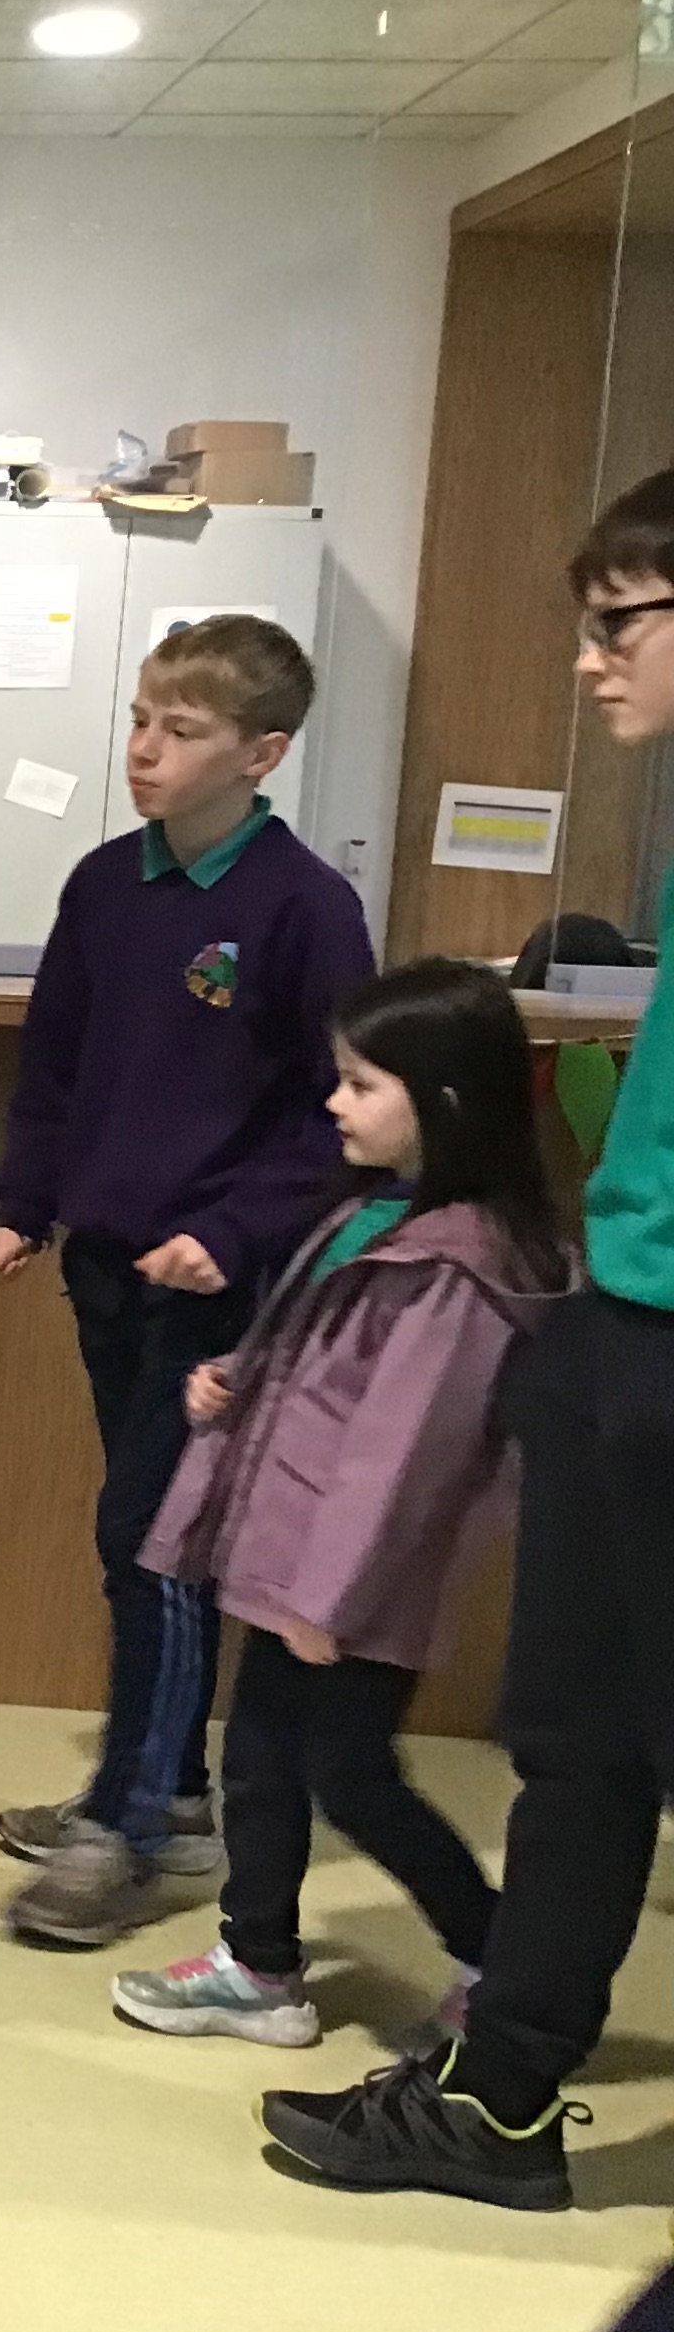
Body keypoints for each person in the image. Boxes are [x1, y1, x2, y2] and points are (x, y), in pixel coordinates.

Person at [259, 468, 674, 2212]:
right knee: (582, 1744)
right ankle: (497, 2095)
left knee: (600, 1741)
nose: (590, 660)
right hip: (625, 1317)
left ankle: (499, 2093)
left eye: (619, 621)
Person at [0, 614, 374, 1948]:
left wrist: (240, 1232)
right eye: (141, 718)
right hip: (108, 1267)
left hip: (220, 1290)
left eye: (182, 729)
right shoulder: (105, 885)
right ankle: (174, 1796)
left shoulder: (305, 907)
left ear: (263, 754)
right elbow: (55, 1065)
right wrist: (25, 1208)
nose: (145, 748)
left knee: (154, 1541)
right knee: (141, 1537)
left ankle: (131, 1819)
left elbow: (342, 1114)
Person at [109, 959, 567, 2049]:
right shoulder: (374, 1214)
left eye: (362, 1084)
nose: (334, 1103)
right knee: (262, 1761)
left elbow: (401, 1454)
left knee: (350, 1776)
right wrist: (235, 1378)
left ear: (444, 1100)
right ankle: (260, 1963)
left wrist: (331, 1599)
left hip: (349, 1582)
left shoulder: (461, 1267)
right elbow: (321, 1363)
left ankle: (497, 1957)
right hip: (296, 1563)